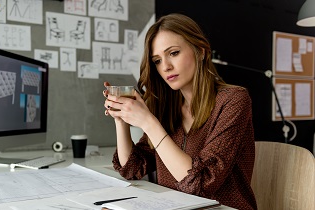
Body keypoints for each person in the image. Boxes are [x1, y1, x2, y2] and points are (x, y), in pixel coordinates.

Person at [103, 13, 257, 210]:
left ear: (201, 51)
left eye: (173, 53)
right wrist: (121, 119)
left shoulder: (233, 101)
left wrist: (149, 123)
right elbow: (132, 168)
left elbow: (199, 183)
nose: (165, 66)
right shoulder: (167, 108)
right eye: (157, 60)